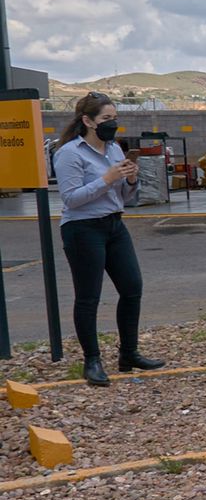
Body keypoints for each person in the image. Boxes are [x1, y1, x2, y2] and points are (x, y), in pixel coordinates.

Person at [52, 93, 166, 387]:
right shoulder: (69, 153)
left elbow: (124, 197)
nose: (112, 124)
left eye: (114, 118)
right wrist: (107, 179)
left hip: (114, 225)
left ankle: (129, 353)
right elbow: (71, 198)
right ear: (88, 121)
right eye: (106, 119)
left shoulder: (114, 149)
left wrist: (130, 179)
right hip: (83, 228)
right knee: (88, 296)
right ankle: (92, 361)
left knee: (132, 287)